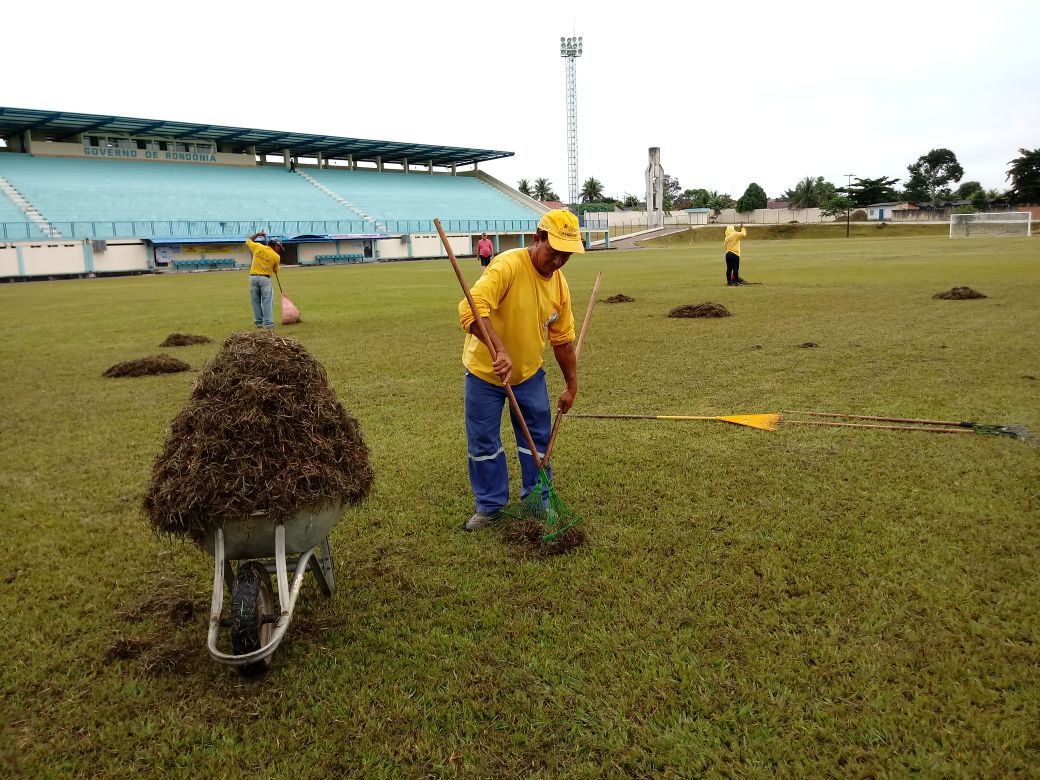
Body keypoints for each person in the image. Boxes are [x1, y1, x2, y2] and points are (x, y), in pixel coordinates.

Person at [458, 210, 584, 532]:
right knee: (484, 443)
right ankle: (490, 506)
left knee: (537, 442)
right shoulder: (508, 265)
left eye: (565, 256)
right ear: (536, 239)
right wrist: (499, 349)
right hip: (485, 375)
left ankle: (537, 499)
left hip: (529, 375)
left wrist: (571, 385)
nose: (557, 262)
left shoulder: (559, 287)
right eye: (553, 251)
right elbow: (471, 309)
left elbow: (563, 340)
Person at [245, 231, 283, 328]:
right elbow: (276, 271)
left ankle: (258, 323)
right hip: (265, 279)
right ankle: (268, 323)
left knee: (255, 301)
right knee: (267, 301)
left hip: (252, 278)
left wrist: (257, 235)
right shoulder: (276, 256)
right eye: (279, 248)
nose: (279, 250)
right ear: (276, 246)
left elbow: (248, 241)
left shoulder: (258, 247)